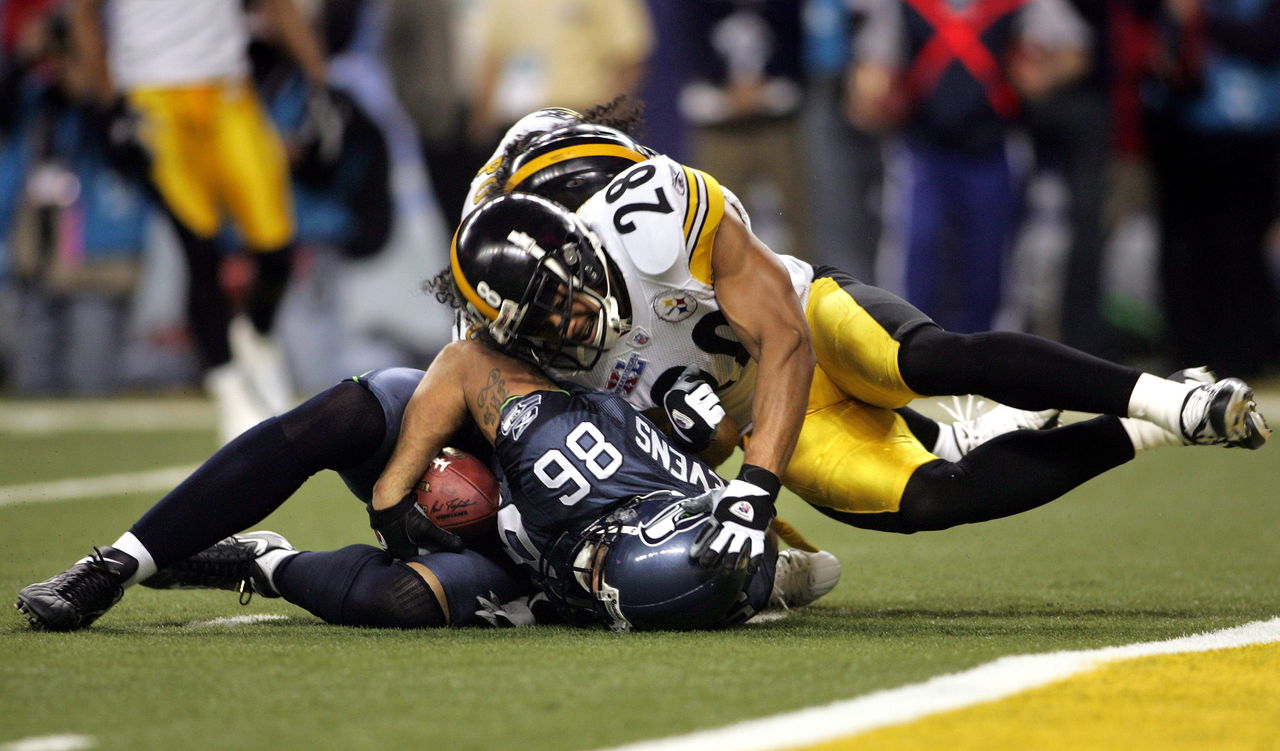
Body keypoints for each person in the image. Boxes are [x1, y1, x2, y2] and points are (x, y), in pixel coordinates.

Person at [438, 144, 1269, 568]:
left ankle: (1167, 397)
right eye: (545, 318)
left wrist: (754, 490)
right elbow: (692, 445)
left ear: (582, 246)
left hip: (808, 326)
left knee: (933, 358)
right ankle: (1152, 432)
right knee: (933, 500)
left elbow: (785, 339)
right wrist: (704, 435)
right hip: (768, 418)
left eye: (567, 291)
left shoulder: (654, 218)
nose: (574, 321)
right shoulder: (538, 361)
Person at [14, 339, 835, 632]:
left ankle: (261, 562)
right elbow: (468, 360)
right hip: (476, 428)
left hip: (545, 546)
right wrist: (393, 497)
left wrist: (717, 448)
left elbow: (731, 456)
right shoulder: (548, 264)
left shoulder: (683, 348)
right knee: (336, 414)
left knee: (405, 605)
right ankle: (119, 562)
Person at [67, 0, 330, 442]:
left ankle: (257, 337)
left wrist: (323, 83)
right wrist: (108, 102)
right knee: (199, 249)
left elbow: (277, 5)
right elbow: (83, 12)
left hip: (228, 91)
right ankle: (230, 390)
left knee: (277, 248)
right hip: (153, 98)